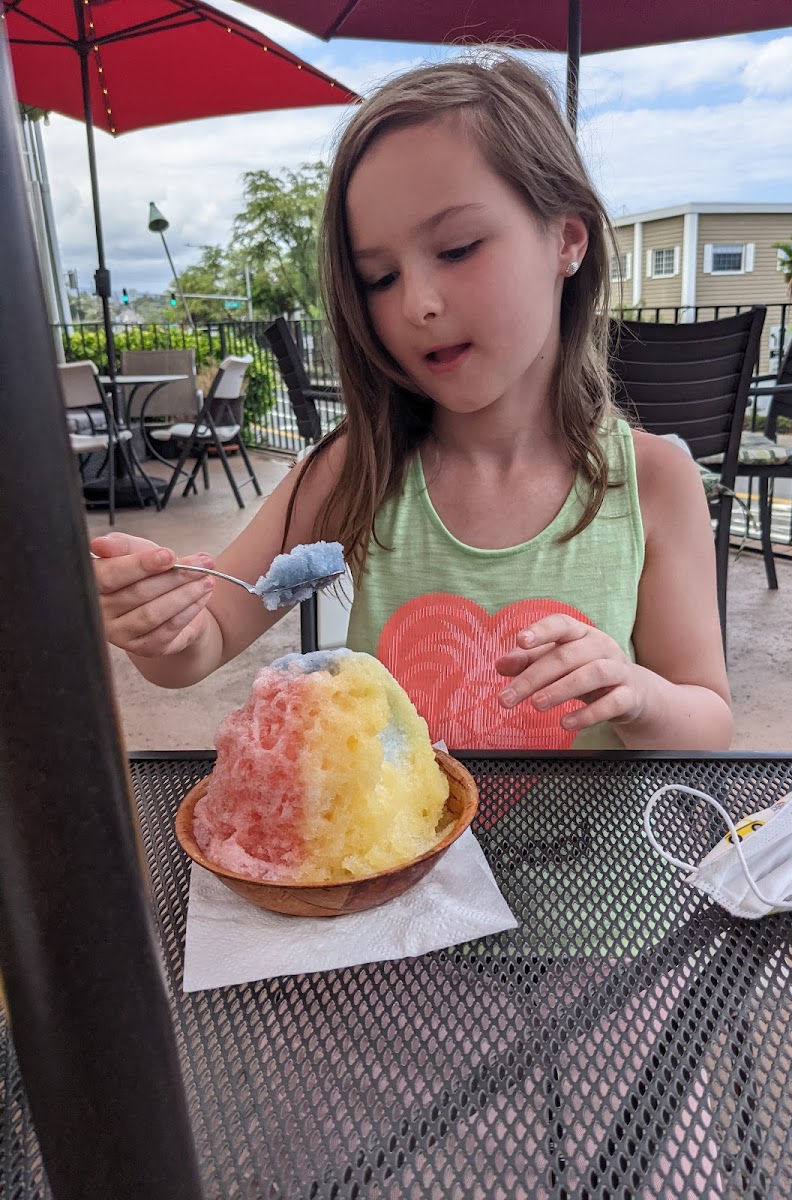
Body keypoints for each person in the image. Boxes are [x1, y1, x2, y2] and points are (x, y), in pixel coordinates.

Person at [91, 55, 732, 753]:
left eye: (457, 249)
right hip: (407, 865)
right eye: (380, 277)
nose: (417, 305)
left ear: (567, 238)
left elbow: (710, 719)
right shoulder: (355, 469)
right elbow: (206, 637)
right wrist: (159, 627)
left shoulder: (653, 482)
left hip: (595, 865)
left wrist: (637, 693)